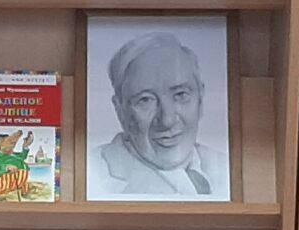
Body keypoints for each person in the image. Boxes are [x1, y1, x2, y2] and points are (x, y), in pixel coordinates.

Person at [94, 29, 226, 198]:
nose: (167, 120)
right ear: (120, 110)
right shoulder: (93, 176)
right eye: (145, 100)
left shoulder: (227, 168)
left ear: (200, 99)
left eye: (180, 95)